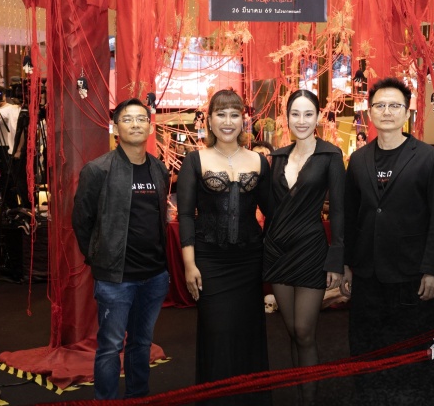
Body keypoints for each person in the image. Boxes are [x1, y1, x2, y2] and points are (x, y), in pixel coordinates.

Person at [341, 77, 434, 358]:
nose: (386, 111)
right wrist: (347, 264)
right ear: (370, 111)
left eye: (394, 106)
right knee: (367, 348)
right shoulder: (358, 159)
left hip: (411, 273)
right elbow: (351, 216)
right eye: (380, 105)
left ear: (406, 111)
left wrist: (433, 269)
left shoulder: (428, 158)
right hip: (367, 273)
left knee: (413, 351)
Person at [177, 89, 271, 406]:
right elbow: (186, 215)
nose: (228, 122)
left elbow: (272, 212)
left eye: (234, 115)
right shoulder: (195, 160)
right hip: (209, 261)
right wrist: (189, 264)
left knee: (248, 333)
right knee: (216, 332)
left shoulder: (258, 161)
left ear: (243, 121)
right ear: (209, 120)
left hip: (249, 261)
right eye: (221, 114)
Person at [72, 98, 170, 400]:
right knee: (110, 346)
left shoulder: (159, 169)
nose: (135, 124)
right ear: (116, 128)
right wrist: (98, 258)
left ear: (150, 127)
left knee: (142, 343)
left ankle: (138, 396)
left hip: (155, 275)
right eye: (127, 119)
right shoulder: (97, 170)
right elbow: (81, 220)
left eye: (141, 119)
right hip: (116, 278)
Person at [263, 89, 345, 406]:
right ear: (287, 118)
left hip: (311, 250)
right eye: (295, 114)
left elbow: (339, 212)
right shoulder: (277, 157)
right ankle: (299, 394)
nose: (301, 120)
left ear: (318, 117)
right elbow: (271, 208)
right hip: (277, 251)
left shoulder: (330, 155)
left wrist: (336, 259)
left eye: (308, 114)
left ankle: (309, 399)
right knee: (291, 331)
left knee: (304, 330)